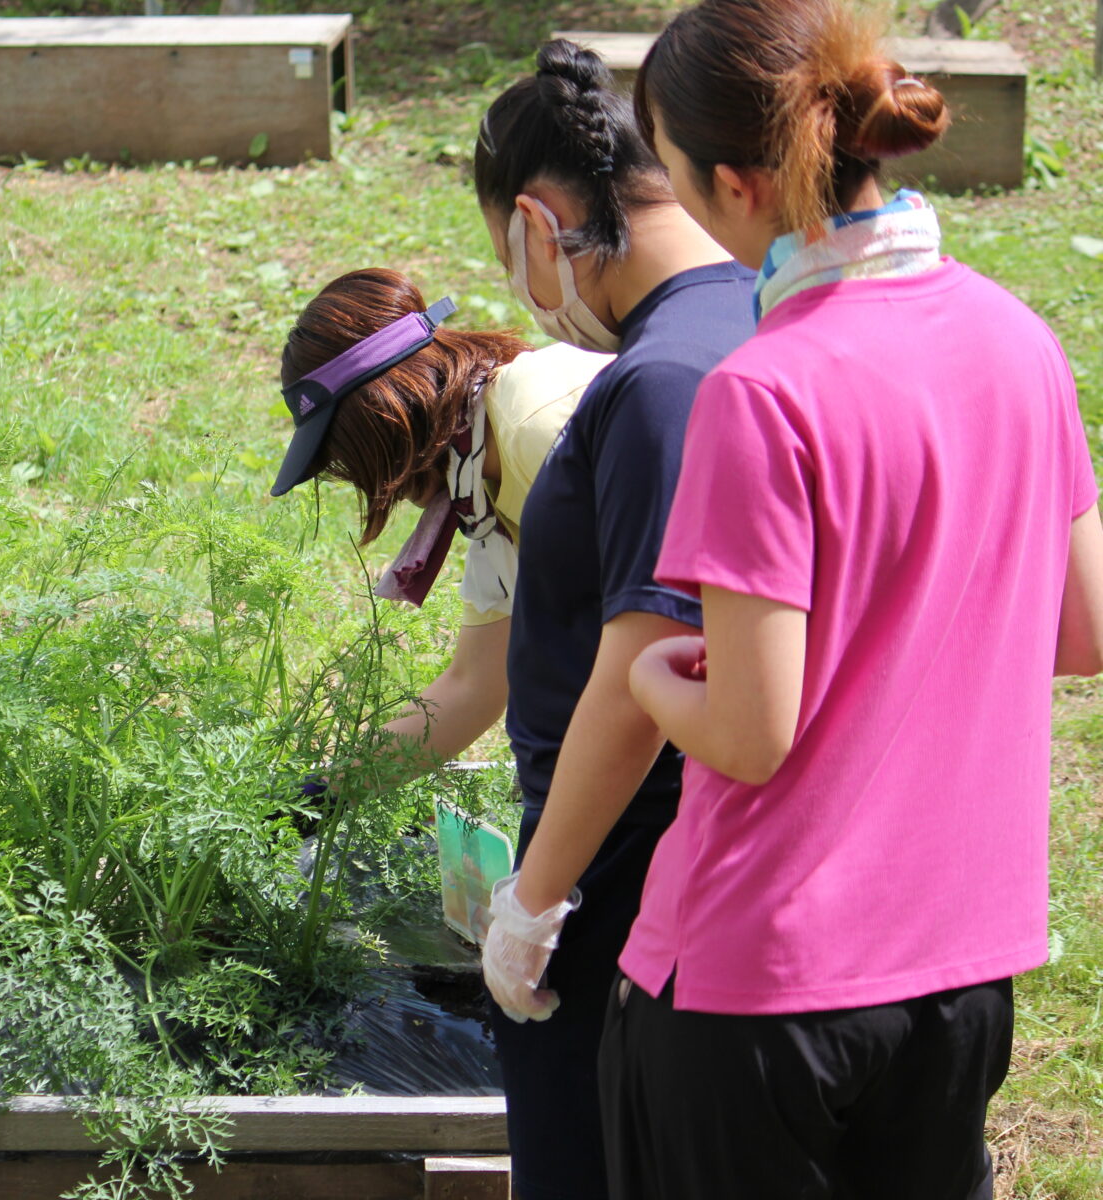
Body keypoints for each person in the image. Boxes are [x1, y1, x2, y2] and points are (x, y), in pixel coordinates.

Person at [604, 1, 1103, 1196]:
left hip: (757, 991)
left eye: (664, 167)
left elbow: (752, 734)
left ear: (733, 184)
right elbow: (1084, 632)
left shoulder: (760, 389)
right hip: (960, 973)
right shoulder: (1021, 340)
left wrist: (643, 673)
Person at [459, 39, 755, 1200]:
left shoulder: (662, 381)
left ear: (542, 223)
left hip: (628, 875)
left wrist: (535, 902)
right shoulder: (745, 316)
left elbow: (642, 676)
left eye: (507, 254)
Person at [273, 267, 608, 782]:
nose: (357, 477)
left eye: (341, 451)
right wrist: (313, 797)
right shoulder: (480, 490)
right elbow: (471, 689)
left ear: (380, 416)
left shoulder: (536, 429)